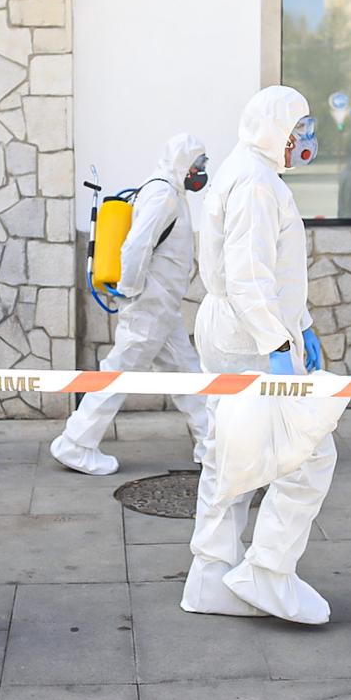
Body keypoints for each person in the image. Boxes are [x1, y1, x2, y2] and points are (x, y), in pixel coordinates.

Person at [182, 85, 334, 625]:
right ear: (276, 130)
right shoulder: (255, 183)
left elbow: (269, 270)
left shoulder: (250, 171)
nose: (306, 139)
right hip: (251, 339)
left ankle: (210, 577)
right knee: (310, 455)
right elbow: (249, 276)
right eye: (300, 129)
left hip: (242, 332)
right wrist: (277, 344)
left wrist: (302, 325)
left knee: (230, 457)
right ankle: (267, 572)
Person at [51, 134, 211, 475]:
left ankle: (211, 444)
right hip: (150, 306)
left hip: (161, 307)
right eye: (197, 164)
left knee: (187, 373)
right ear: (183, 163)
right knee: (118, 374)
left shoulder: (170, 193)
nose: (201, 171)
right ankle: (75, 443)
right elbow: (137, 245)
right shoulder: (163, 195)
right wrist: (131, 291)